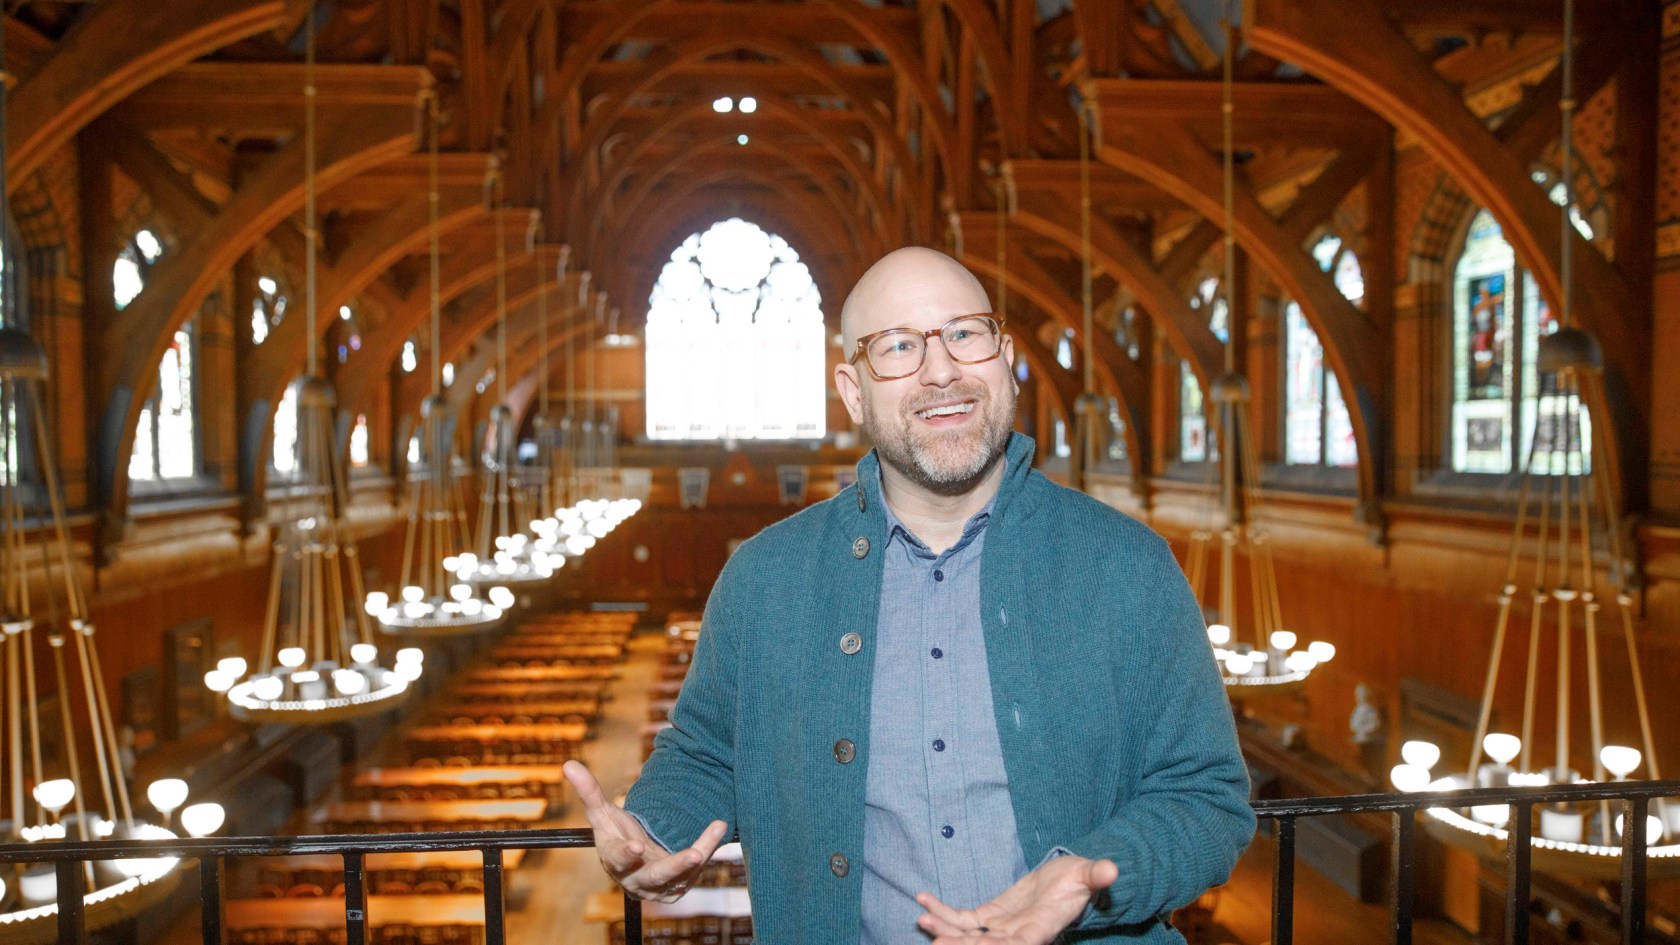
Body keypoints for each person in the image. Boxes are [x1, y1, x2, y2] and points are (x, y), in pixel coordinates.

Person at [564, 247, 1254, 945]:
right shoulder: (764, 577)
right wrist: (653, 830)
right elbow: (708, 752)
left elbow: (1207, 798)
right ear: (853, 390)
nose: (941, 368)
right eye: (897, 346)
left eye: (964, 333)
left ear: (1004, 354)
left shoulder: (1127, 564)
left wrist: (1088, 873)